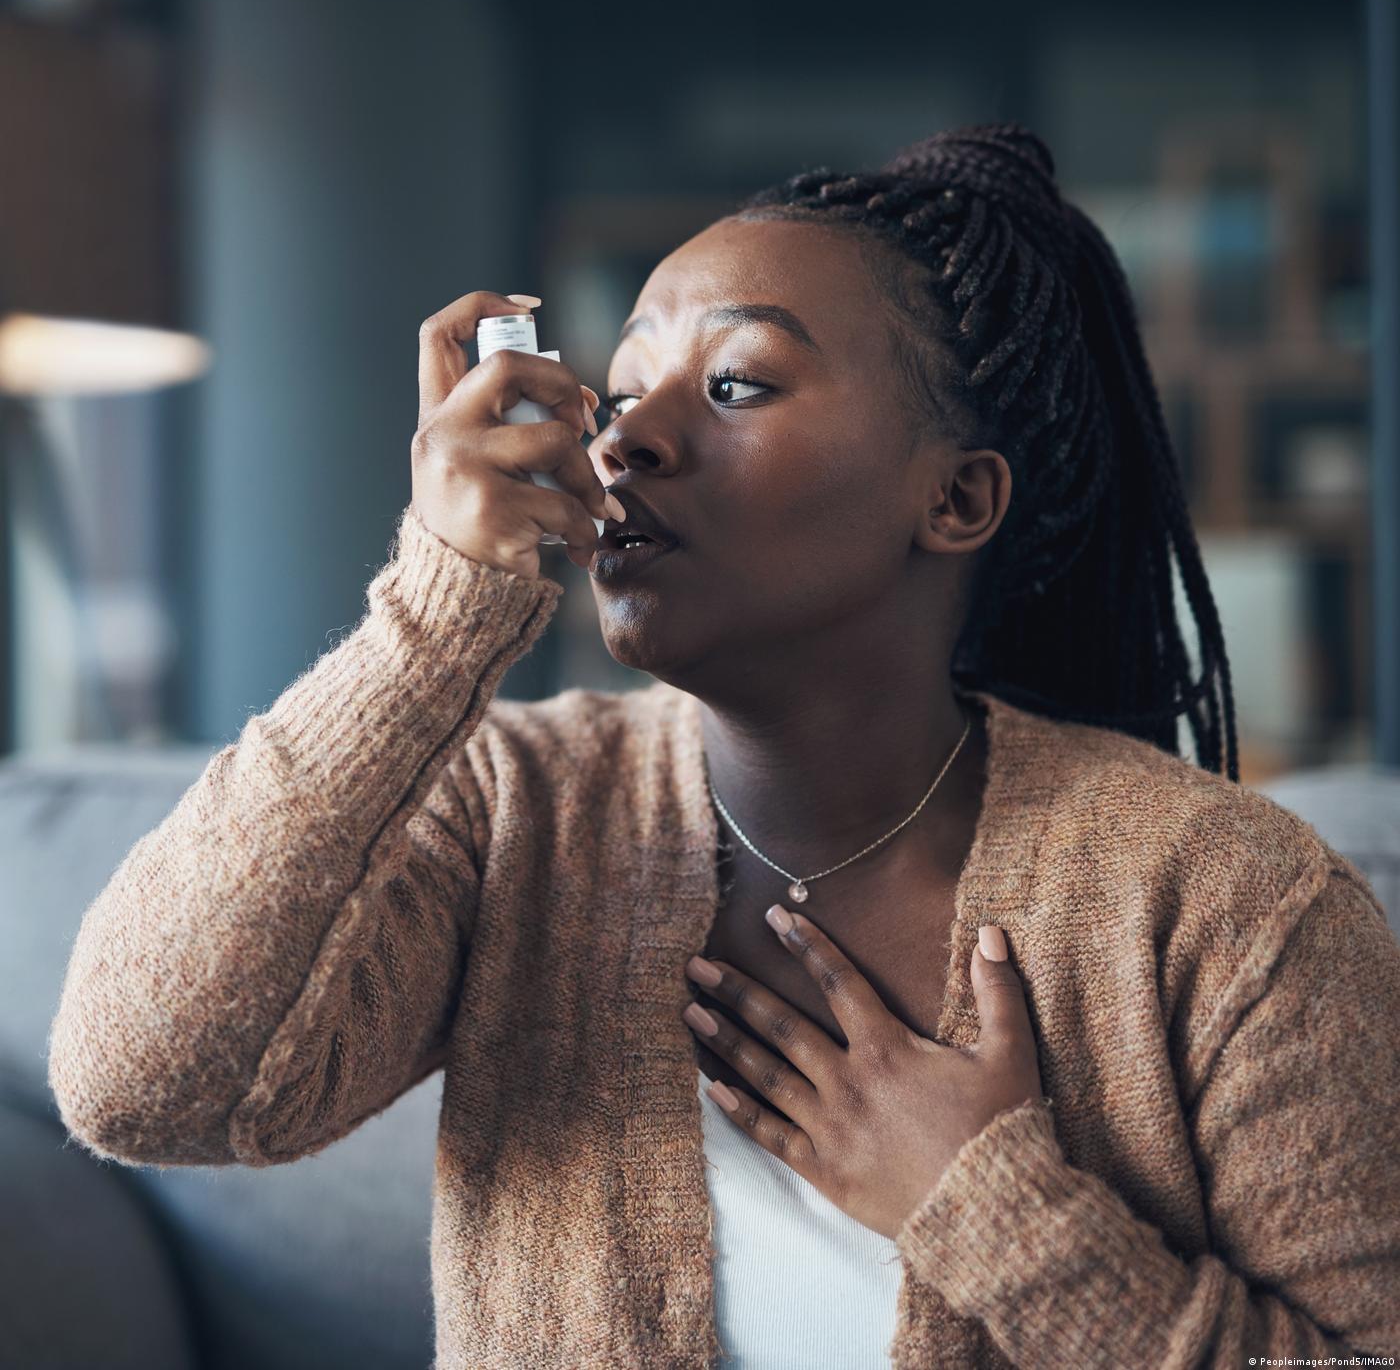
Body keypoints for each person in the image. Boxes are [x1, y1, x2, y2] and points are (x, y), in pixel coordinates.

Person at [48, 124, 1400, 1368]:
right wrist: (435, 615)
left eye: (738, 382)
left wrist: (994, 1207)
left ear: (957, 499)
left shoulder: (1228, 901)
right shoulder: (517, 818)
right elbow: (140, 1085)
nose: (629, 437)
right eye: (620, 387)